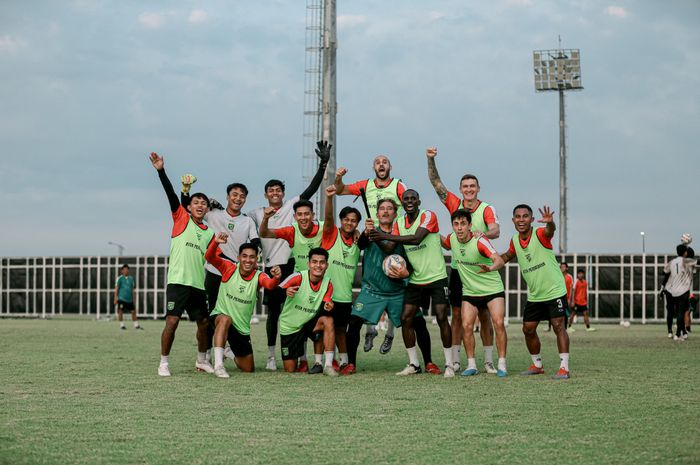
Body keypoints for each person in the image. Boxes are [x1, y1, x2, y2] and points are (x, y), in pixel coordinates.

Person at [248, 140, 331, 371]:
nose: (275, 193)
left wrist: (323, 164)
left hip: (292, 266)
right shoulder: (256, 213)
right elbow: (236, 223)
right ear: (265, 194)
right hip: (271, 268)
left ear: (283, 193)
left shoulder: (292, 207)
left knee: (300, 312)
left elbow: (312, 189)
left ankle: (302, 356)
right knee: (274, 315)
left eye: (278, 190)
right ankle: (272, 355)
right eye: (271, 191)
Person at [343, 198, 439, 375]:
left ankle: (429, 363)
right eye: (382, 209)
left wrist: (406, 273)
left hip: (398, 291)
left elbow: (412, 259)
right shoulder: (370, 233)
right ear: (377, 213)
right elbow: (362, 244)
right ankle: (351, 364)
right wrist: (366, 231)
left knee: (418, 323)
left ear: (395, 214)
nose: (385, 211)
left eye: (389, 209)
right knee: (354, 322)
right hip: (372, 290)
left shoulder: (403, 233)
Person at [426, 147, 498, 373]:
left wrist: (482, 234)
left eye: (472, 186)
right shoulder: (454, 204)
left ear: (478, 189)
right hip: (459, 271)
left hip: (482, 271)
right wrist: (431, 159)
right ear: (460, 189)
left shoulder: (486, 209)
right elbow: (436, 182)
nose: (469, 189)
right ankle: (456, 360)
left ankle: (488, 361)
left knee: (484, 316)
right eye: (465, 186)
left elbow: (495, 230)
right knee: (457, 315)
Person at [368, 189, 454, 378]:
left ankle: (449, 364)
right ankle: (414, 364)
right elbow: (390, 248)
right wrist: (375, 236)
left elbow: (417, 237)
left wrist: (384, 236)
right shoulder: (399, 222)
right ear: (403, 202)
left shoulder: (428, 215)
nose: (409, 201)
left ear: (418, 200)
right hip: (415, 279)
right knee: (406, 318)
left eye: (413, 198)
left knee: (441, 317)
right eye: (406, 198)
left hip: (437, 277)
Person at [180, 178, 260, 363]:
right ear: (227, 197)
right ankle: (205, 355)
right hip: (214, 273)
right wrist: (187, 191)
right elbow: (187, 208)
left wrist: (256, 258)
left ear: (245, 200)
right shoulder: (214, 214)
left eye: (242, 196)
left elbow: (255, 242)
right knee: (209, 316)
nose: (238, 198)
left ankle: (229, 348)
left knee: (235, 314)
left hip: (234, 276)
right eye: (234, 195)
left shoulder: (247, 221)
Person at [149, 152, 215, 377]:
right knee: (173, 321)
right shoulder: (181, 219)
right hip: (178, 281)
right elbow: (170, 195)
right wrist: (161, 171)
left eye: (203, 203)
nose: (200, 205)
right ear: (189, 207)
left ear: (207, 209)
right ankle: (164, 363)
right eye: (196, 202)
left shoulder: (209, 233)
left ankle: (201, 360)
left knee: (204, 323)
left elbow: (213, 257)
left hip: (198, 284)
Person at [334, 155, 407, 352]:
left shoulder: (399, 186)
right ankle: (370, 330)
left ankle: (390, 334)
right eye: (377, 162)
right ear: (373, 167)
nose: (381, 165)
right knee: (371, 284)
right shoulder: (365, 185)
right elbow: (340, 190)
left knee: (393, 285)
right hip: (373, 240)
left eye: (385, 162)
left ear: (390, 166)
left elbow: (409, 205)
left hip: (393, 240)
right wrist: (338, 177)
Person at [498, 204, 571, 379]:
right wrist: (491, 264)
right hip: (536, 294)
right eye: (518, 216)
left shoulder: (539, 233)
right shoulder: (515, 240)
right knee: (528, 329)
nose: (521, 220)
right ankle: (537, 365)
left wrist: (550, 223)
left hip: (554, 290)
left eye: (525, 216)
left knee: (558, 326)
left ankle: (564, 368)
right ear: (513, 220)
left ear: (531, 219)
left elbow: (549, 232)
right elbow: (507, 256)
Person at [441, 209, 508, 377]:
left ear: (470, 225)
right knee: (466, 326)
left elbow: (499, 260)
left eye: (463, 224)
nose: (459, 228)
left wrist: (490, 268)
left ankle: (501, 364)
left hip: (492, 289)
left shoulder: (480, 241)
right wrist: (430, 230)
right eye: (456, 224)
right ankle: (471, 364)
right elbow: (442, 241)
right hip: (470, 291)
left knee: (498, 323)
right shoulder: (452, 239)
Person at [204, 234, 280, 378]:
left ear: (256, 259)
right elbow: (209, 257)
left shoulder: (259, 276)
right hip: (220, 316)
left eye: (252, 257)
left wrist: (276, 278)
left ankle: (229, 352)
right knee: (225, 319)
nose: (248, 260)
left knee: (248, 368)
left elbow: (270, 285)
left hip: (241, 328)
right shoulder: (229, 267)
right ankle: (219, 365)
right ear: (238, 258)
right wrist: (215, 242)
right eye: (244, 256)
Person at [321, 185, 365, 370]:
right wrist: (330, 198)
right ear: (341, 221)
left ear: (357, 224)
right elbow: (329, 218)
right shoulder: (331, 234)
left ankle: (345, 361)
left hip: (345, 296)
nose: (349, 223)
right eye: (346, 219)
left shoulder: (358, 241)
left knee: (341, 330)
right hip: (327, 294)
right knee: (325, 328)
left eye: (353, 221)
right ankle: (322, 361)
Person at [278, 248, 337, 376]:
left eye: (322, 262)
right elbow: (274, 293)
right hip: (290, 327)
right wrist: (284, 292)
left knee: (328, 320)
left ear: (326, 265)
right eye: (314, 262)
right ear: (308, 264)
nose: (318, 265)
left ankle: (324, 365)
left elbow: (326, 304)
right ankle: (300, 359)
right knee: (290, 369)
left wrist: (329, 305)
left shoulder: (328, 283)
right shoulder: (298, 277)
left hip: (309, 324)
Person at [661, 244, 697, 340]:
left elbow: (664, 272)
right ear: (685, 252)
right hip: (684, 290)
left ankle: (680, 332)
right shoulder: (687, 261)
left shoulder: (672, 262)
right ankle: (677, 334)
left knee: (675, 312)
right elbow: (697, 262)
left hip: (673, 291)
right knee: (681, 312)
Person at [113, 264, 142, 330]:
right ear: (122, 271)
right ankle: (122, 325)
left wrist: (134, 299)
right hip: (121, 298)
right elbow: (116, 289)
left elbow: (132, 290)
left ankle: (136, 325)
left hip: (129, 299)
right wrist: (115, 298)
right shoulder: (120, 278)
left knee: (133, 311)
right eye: (125, 269)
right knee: (120, 311)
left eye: (127, 269)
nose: (126, 271)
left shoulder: (131, 279)